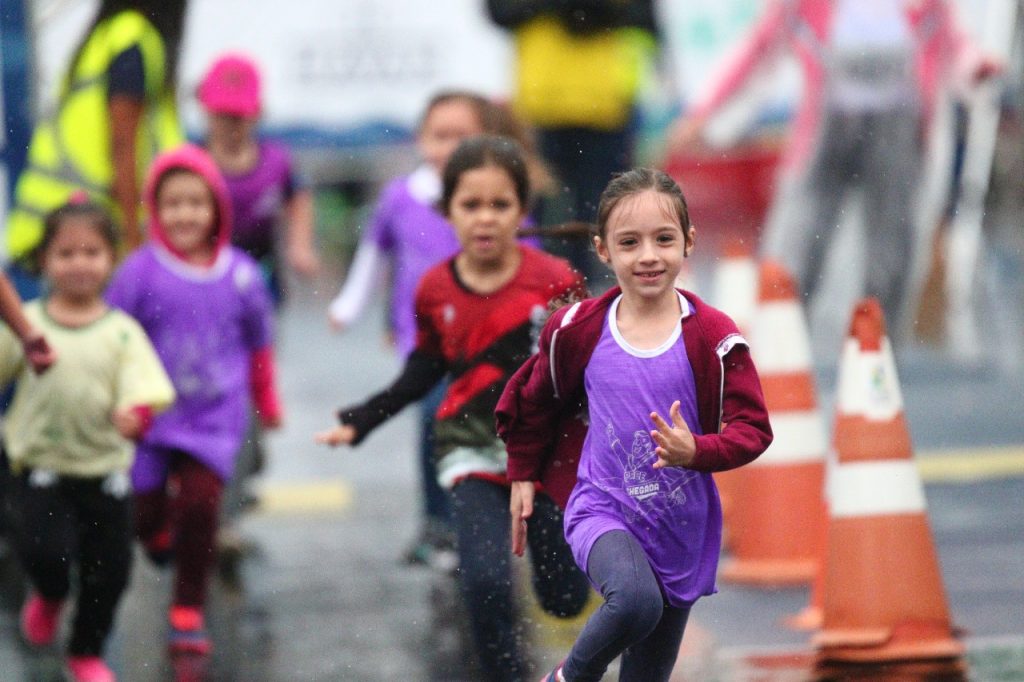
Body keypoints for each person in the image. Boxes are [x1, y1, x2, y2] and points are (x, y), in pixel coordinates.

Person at [317, 136, 591, 681]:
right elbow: (424, 369)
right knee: (484, 582)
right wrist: (364, 419)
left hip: (550, 458)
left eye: (500, 205)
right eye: (470, 205)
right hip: (472, 450)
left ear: (522, 209)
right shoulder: (435, 288)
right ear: (447, 212)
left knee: (563, 598)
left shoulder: (557, 282)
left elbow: (587, 374)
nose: (485, 219)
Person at [495, 168, 774, 682]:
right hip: (602, 510)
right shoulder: (578, 330)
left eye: (663, 239)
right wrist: (522, 472)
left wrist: (698, 451)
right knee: (634, 603)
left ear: (688, 242)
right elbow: (534, 399)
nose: (648, 255)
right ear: (604, 250)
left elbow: (754, 428)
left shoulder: (712, 335)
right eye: (630, 243)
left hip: (678, 528)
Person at [669, 0, 1001, 336]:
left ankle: (879, 348)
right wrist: (703, 111)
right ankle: (782, 340)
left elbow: (956, 44)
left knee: (892, 253)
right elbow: (759, 48)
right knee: (796, 241)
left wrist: (976, 68)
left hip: (899, 135)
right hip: (825, 133)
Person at [106, 144, 282, 656]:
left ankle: (188, 604)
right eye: (172, 204)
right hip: (153, 418)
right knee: (142, 509)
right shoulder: (139, 273)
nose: (185, 214)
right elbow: (115, 339)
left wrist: (266, 402)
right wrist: (117, 402)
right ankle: (156, 533)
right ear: (155, 212)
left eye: (196, 203)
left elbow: (259, 344)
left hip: (214, 420)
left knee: (203, 508)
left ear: (217, 210)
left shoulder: (242, 275)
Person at [1, 199, 175, 682]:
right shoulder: (25, 322)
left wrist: (136, 414)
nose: (79, 263)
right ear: (43, 262)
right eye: (66, 253)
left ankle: (85, 650)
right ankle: (51, 595)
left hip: (105, 472)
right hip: (39, 467)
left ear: (111, 259)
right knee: (45, 554)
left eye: (92, 252)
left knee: (111, 572)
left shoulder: (121, 333)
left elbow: (149, 387)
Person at [325, 91, 498, 568]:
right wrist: (349, 305)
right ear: (422, 141)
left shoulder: (494, 195)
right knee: (433, 417)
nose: (449, 147)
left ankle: (491, 513)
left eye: (461, 136)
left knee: (486, 421)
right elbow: (375, 254)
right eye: (439, 136)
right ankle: (438, 524)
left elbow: (522, 255)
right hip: (423, 338)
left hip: (487, 335)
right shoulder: (400, 198)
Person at [4, 0, 187, 297]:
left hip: (53, 232)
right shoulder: (132, 40)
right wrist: (134, 244)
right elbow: (123, 148)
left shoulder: (108, 35)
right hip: (82, 234)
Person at [485, 0, 659, 285]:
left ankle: (600, 299)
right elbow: (500, 12)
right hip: (542, 106)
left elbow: (640, 18)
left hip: (606, 104)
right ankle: (536, 290)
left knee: (602, 212)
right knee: (536, 210)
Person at [198, 52, 320, 304]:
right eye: (222, 114)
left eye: (238, 115)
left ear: (258, 111)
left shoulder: (276, 162)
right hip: (204, 272)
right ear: (206, 109)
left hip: (261, 272)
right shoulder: (192, 163)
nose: (230, 124)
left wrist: (300, 245)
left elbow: (298, 195)